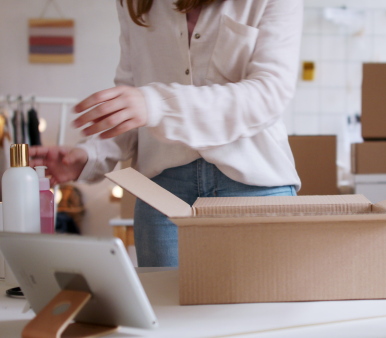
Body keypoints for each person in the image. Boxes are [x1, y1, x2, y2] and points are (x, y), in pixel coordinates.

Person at [30, 0, 303, 267]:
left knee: (261, 310)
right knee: (166, 308)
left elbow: (269, 93)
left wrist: (157, 103)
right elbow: (132, 98)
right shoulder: (134, 4)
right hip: (162, 194)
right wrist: (89, 155)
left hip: (254, 186)